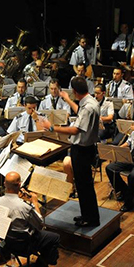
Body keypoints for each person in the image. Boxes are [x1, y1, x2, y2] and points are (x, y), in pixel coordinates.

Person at [41, 77, 101, 226]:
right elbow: (79, 113)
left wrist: (52, 127)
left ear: (74, 91)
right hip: (86, 148)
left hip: (82, 150)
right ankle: (87, 214)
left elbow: (75, 129)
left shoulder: (87, 107)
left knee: (83, 185)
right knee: (83, 184)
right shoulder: (91, 101)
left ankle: (91, 218)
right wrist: (67, 100)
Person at [0, 172, 60, 267]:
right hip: (26, 245)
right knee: (55, 238)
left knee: (45, 239)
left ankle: (40, 263)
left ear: (5, 184)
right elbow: (40, 224)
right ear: (19, 185)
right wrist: (35, 203)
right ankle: (38, 265)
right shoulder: (25, 207)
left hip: (8, 243)